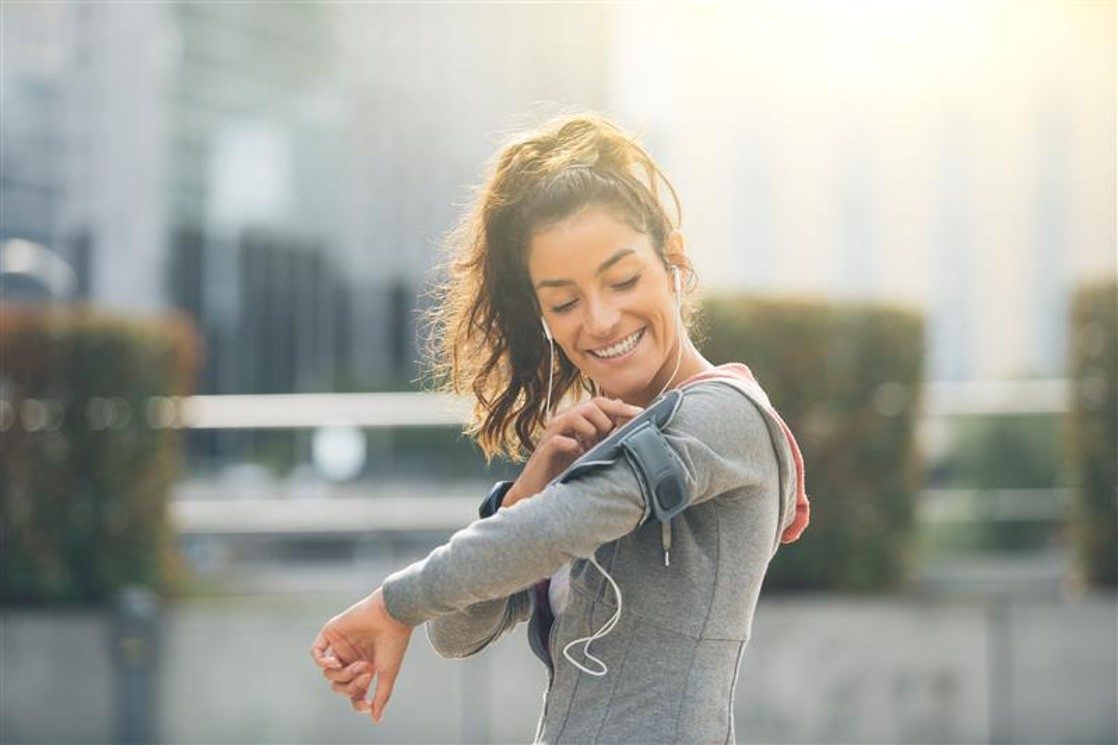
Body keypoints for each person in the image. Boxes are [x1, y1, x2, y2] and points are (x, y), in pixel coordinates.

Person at [310, 111, 810, 743]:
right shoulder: (602, 449)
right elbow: (457, 633)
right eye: (565, 303)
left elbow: (559, 529)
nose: (599, 320)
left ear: (673, 261)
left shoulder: (723, 417)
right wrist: (529, 490)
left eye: (623, 280)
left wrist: (391, 603)